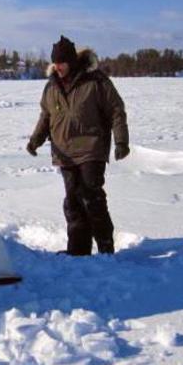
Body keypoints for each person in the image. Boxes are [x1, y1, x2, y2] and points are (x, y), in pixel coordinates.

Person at [26, 35, 129, 255]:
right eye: (55, 62)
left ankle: (105, 247)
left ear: (71, 61)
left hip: (92, 148)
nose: (58, 66)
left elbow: (116, 111)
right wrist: (35, 140)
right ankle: (78, 250)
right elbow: (46, 116)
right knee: (73, 202)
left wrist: (121, 141)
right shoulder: (51, 86)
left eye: (62, 62)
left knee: (91, 196)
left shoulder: (96, 81)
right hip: (65, 153)